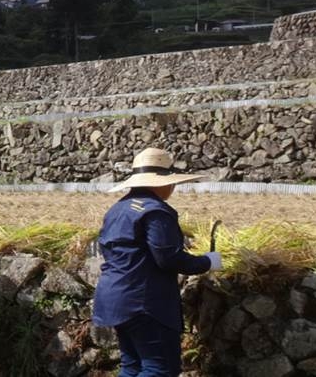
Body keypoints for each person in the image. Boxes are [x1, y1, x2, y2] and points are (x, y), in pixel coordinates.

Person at [93, 148, 222, 377]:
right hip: (144, 303)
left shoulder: (118, 209)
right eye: (171, 183)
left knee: (131, 366)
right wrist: (206, 262)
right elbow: (168, 259)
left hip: (115, 297)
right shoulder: (156, 212)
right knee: (159, 369)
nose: (172, 188)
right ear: (158, 183)